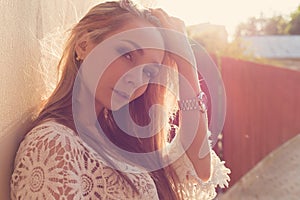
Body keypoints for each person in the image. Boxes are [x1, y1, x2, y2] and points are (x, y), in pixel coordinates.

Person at [10, 0, 230, 199]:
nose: (135, 79)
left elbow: (199, 169)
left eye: (148, 72)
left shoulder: (118, 141)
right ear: (84, 45)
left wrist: (185, 61)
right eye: (127, 55)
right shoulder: (54, 144)